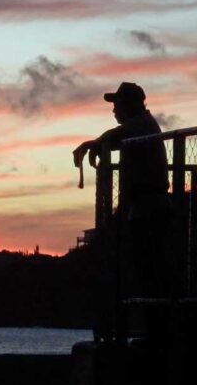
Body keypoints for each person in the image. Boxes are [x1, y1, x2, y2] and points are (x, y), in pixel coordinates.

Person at [73, 82, 172, 340]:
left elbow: (117, 135)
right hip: (142, 208)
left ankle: (156, 333)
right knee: (144, 272)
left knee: (151, 273)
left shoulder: (142, 126)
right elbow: (117, 136)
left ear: (131, 104)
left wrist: (94, 143)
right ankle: (152, 331)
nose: (114, 110)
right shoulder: (139, 128)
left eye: (117, 104)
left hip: (150, 208)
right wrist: (96, 144)